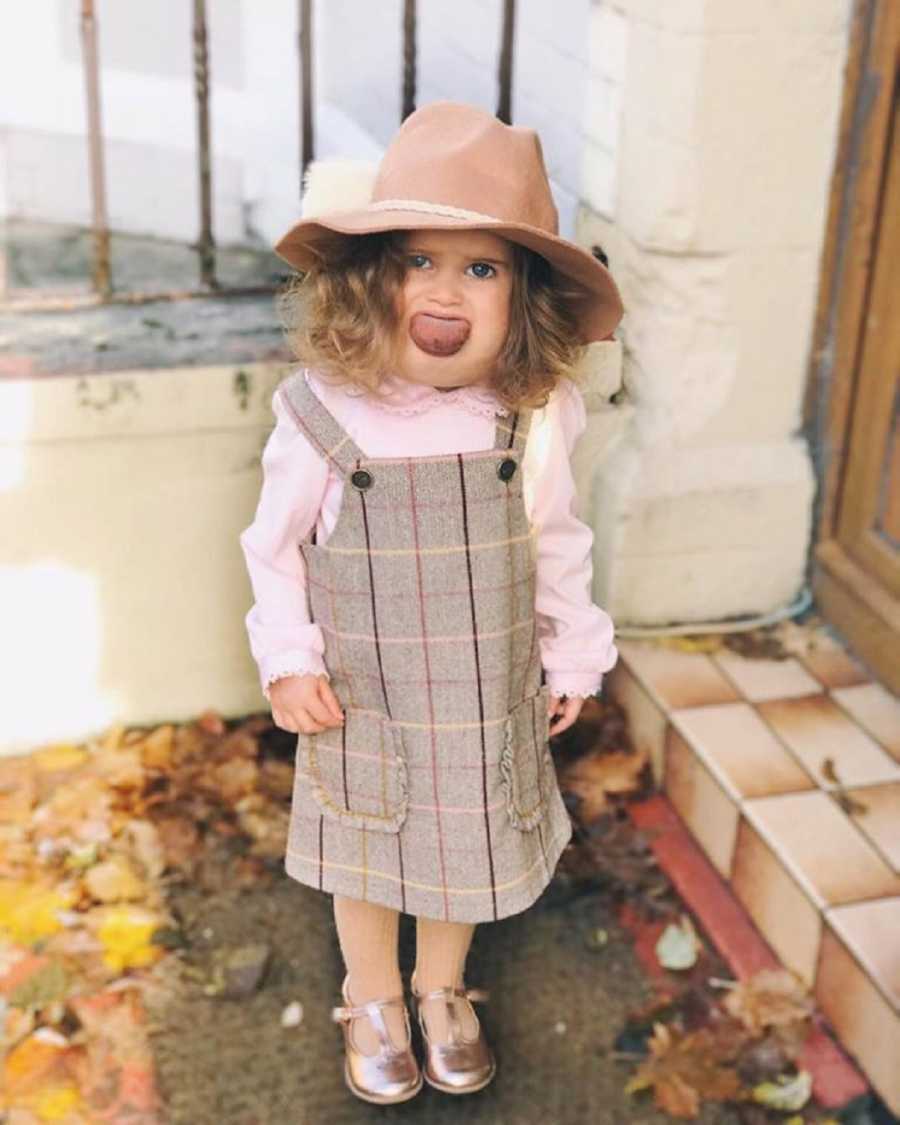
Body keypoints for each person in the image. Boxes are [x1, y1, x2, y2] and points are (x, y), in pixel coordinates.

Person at [239, 100, 623, 1105]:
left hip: (481, 690)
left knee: (469, 838)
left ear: (524, 297)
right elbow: (275, 551)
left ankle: (440, 987)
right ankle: (372, 997)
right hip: (365, 692)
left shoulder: (528, 417)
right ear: (375, 281)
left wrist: (571, 654)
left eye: (482, 267)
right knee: (370, 847)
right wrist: (290, 659)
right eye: (420, 261)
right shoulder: (324, 413)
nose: (447, 289)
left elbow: (557, 541)